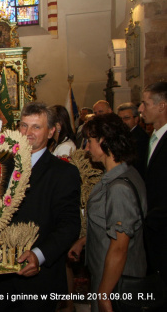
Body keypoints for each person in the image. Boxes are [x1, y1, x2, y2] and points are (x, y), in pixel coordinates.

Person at [0, 102, 81, 312]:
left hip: (39, 277)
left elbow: (69, 225)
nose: (28, 132)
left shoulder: (63, 172)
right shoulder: (2, 165)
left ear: (51, 131)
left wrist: (39, 255)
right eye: (24, 126)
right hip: (2, 275)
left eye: (36, 127)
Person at [68, 113, 147, 312]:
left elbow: (119, 247)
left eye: (90, 142)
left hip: (115, 283)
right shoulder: (126, 172)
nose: (86, 148)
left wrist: (104, 294)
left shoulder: (119, 187)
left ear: (103, 142)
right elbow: (114, 221)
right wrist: (85, 240)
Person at [139, 81, 167, 298]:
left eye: (145, 103)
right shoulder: (154, 136)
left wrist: (151, 221)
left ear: (162, 106)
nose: (140, 109)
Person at [117, 102, 149, 177]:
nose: (122, 122)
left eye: (126, 118)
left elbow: (136, 165)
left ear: (136, 119)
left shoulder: (140, 138)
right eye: (120, 119)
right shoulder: (124, 134)